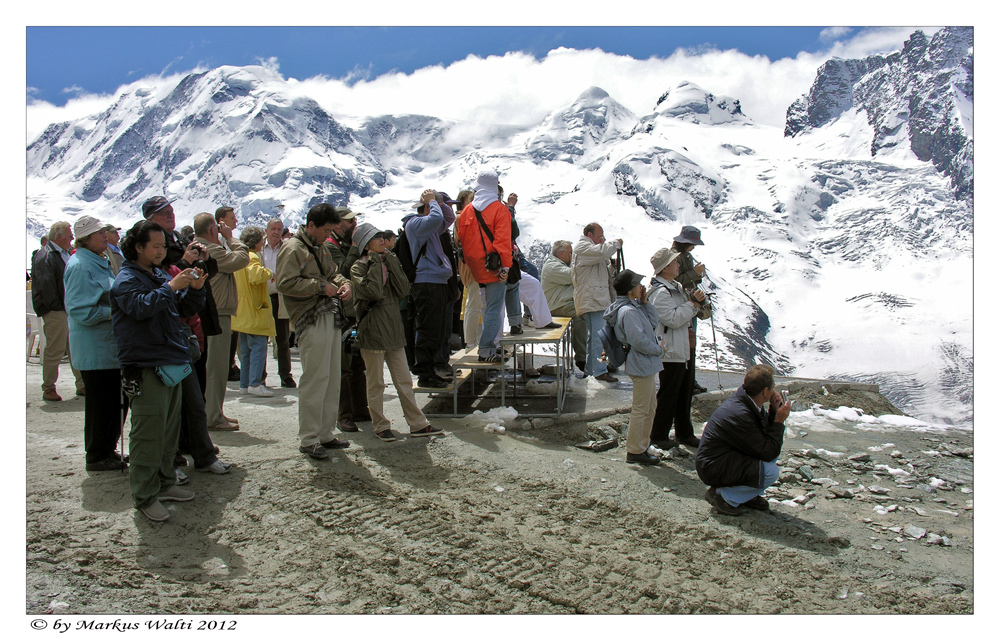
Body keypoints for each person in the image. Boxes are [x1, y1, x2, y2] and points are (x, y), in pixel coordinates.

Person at [110, 219, 207, 522]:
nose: (161, 251)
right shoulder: (126, 279)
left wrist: (195, 291)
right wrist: (170, 287)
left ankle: (165, 482)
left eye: (164, 246)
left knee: (167, 431)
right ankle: (144, 494)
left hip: (170, 361)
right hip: (146, 364)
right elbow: (140, 308)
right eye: (156, 246)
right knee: (148, 434)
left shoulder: (157, 275)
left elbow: (181, 309)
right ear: (138, 247)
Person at [350, 223, 445, 440]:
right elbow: (373, 292)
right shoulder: (358, 267)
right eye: (376, 237)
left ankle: (418, 423)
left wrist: (390, 260)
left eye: (382, 235)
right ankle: (380, 425)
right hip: (372, 331)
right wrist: (375, 262)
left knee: (403, 380)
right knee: (376, 383)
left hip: (393, 330)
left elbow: (403, 289)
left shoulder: (388, 260)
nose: (382, 239)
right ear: (366, 244)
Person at [276, 203, 353, 460]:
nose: (328, 235)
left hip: (329, 315)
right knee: (315, 378)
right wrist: (320, 287)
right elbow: (285, 283)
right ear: (311, 226)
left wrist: (344, 285)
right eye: (326, 230)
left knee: (330, 377)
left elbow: (333, 274)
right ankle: (309, 438)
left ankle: (325, 433)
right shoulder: (293, 248)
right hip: (310, 318)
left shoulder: (319, 248)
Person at [63, 216, 124, 471]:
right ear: (86, 238)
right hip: (94, 349)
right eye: (99, 233)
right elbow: (79, 310)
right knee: (101, 404)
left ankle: (106, 450)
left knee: (112, 401)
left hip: (106, 347)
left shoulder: (99, 261)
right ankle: (97, 455)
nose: (105, 236)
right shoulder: (79, 266)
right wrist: (114, 311)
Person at [696, 364, 791, 516]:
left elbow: (765, 439)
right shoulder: (740, 413)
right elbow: (768, 451)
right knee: (770, 472)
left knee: (770, 458)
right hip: (713, 466)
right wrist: (778, 422)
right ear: (765, 391)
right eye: (772, 388)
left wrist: (773, 412)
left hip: (724, 458)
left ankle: (744, 495)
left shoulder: (748, 403)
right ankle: (724, 496)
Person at [456, 169, 522, 363]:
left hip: (475, 266)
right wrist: (505, 267)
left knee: (485, 306)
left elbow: (463, 240)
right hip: (494, 266)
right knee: (494, 308)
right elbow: (503, 241)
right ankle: (486, 350)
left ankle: (489, 345)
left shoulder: (468, 209)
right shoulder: (498, 209)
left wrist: (473, 263)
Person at [647, 247, 709, 450]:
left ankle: (684, 432)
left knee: (684, 391)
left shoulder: (675, 287)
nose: (678, 264)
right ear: (665, 268)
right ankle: (658, 435)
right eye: (674, 262)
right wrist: (692, 305)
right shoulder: (660, 293)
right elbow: (672, 319)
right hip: (670, 350)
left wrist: (697, 302)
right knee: (669, 393)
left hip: (680, 347)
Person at [193, 212, 249, 431]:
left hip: (213, 311)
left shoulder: (204, 247)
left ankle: (215, 411)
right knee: (215, 366)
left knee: (214, 365)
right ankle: (212, 416)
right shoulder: (211, 249)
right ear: (211, 230)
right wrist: (231, 237)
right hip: (216, 313)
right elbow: (241, 259)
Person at [605, 269, 664, 466]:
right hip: (641, 363)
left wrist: (645, 303)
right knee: (642, 409)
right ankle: (635, 449)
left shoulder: (634, 307)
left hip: (645, 363)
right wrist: (658, 350)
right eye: (638, 285)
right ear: (630, 290)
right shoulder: (628, 312)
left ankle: (641, 446)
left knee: (649, 407)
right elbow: (638, 340)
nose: (641, 287)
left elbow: (653, 322)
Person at [401, 189, 456, 387]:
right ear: (425, 207)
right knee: (428, 329)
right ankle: (424, 373)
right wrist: (432, 202)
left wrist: (438, 203)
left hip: (436, 282)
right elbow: (436, 219)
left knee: (437, 329)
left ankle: (431, 369)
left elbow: (448, 218)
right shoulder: (415, 224)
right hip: (426, 283)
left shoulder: (429, 226)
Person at [325, 207, 369, 431]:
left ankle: (361, 408)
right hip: (342, 315)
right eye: (349, 222)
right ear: (337, 224)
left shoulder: (344, 245)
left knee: (358, 363)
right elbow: (343, 269)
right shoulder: (330, 247)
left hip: (356, 314)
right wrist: (354, 249)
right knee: (344, 365)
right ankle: (343, 414)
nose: (353, 225)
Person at [31, 220, 85, 401]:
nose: (72, 237)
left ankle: (82, 384)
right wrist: (58, 306)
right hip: (57, 310)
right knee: (55, 349)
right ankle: (48, 388)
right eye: (69, 234)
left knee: (74, 348)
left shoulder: (63, 253)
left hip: (66, 309)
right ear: (60, 236)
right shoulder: (46, 255)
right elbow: (46, 285)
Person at [572, 223, 621, 382]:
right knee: (598, 338)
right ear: (590, 235)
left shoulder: (590, 251)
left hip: (595, 299)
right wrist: (616, 243)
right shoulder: (583, 247)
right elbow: (602, 251)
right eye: (600, 237)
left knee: (595, 337)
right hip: (593, 299)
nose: (602, 240)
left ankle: (591, 369)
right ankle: (598, 371)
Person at [233, 226, 276, 396]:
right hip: (254, 310)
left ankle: (244, 384)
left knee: (245, 351)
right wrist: (269, 272)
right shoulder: (252, 257)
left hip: (243, 310)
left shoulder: (241, 257)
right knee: (258, 347)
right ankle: (255, 383)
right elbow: (255, 275)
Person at [673, 225, 709, 394]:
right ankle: (686, 382)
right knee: (687, 343)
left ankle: (690, 380)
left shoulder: (686, 256)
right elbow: (676, 280)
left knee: (690, 343)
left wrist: (697, 275)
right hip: (683, 304)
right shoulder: (676, 258)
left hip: (690, 302)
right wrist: (695, 273)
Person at [259, 217, 295, 388]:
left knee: (283, 339)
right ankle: (260, 376)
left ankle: (285, 375)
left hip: (280, 298)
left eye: (279, 229)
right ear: (266, 231)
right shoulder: (259, 249)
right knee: (260, 339)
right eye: (273, 229)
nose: (276, 232)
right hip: (262, 298)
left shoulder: (286, 248)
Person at [541, 240, 587, 370]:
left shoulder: (556, 264)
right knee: (580, 315)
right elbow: (573, 276)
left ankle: (583, 354)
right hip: (556, 306)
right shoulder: (552, 267)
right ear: (562, 254)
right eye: (570, 253)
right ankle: (582, 357)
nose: (572, 256)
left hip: (560, 303)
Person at [216, 206, 243, 381]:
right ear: (221, 221)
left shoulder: (224, 240)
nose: (235, 221)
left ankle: (230, 364)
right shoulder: (220, 240)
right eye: (232, 218)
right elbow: (236, 260)